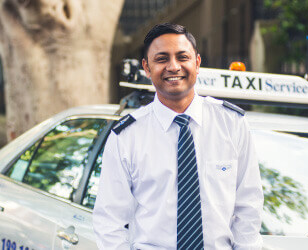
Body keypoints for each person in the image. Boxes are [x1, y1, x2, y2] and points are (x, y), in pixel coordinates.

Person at [93, 23, 263, 249]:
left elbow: (248, 207)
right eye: (162, 59)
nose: (173, 67)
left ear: (197, 63)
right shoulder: (127, 136)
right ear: (146, 66)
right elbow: (109, 220)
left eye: (182, 57)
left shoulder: (232, 125)